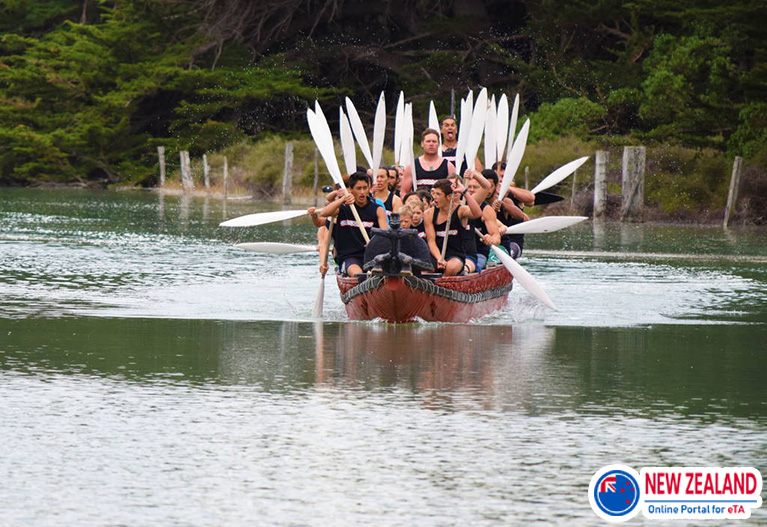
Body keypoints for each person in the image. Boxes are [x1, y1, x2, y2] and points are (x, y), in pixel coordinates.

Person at [320, 172, 388, 276]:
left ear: (369, 188)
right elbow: (324, 213)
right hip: (349, 257)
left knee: (384, 272)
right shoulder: (343, 209)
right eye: (358, 188)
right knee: (358, 274)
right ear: (351, 189)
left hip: (372, 256)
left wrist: (375, 243)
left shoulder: (377, 210)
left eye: (365, 188)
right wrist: (343, 199)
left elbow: (385, 236)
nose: (362, 192)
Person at [424, 178, 481, 276]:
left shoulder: (460, 211)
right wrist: (439, 258)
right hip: (436, 255)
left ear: (449, 196)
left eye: (438, 194)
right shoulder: (429, 214)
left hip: (455, 256)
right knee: (424, 268)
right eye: (434, 194)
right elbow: (431, 241)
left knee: (451, 268)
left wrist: (465, 192)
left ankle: (444, 286)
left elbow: (477, 213)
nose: (434, 197)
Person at [466, 170, 502, 272]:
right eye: (469, 187)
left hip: (478, 254)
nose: (471, 190)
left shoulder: (486, 210)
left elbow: (496, 237)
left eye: (475, 187)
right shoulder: (458, 206)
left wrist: (491, 239)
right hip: (456, 254)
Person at [401, 129, 455, 194]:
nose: (431, 144)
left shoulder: (448, 166)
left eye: (434, 141)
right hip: (419, 202)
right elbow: (404, 192)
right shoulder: (412, 166)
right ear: (422, 144)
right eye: (428, 141)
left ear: (439, 144)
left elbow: (454, 191)